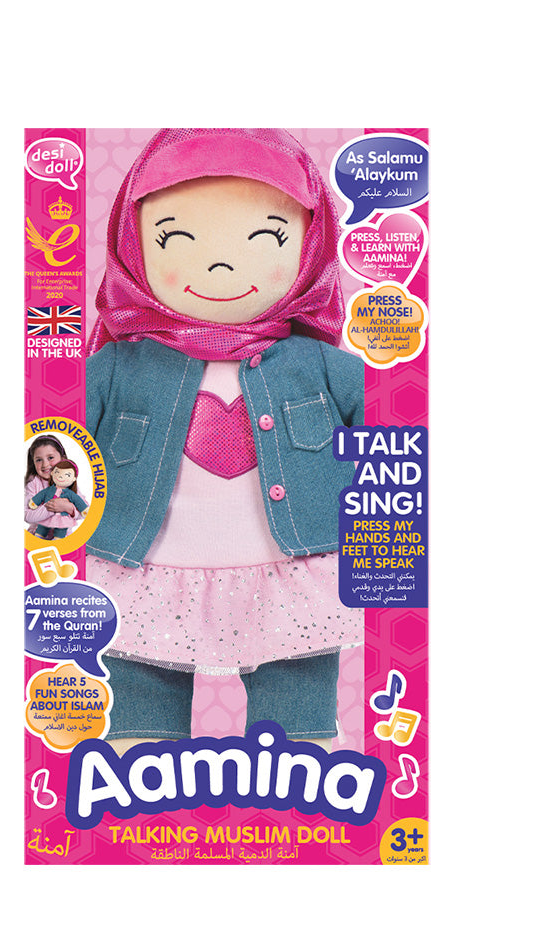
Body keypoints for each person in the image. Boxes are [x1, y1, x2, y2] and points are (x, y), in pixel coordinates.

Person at [85, 129, 364, 753]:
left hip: (295, 574)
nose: (220, 264)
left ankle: (301, 786)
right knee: (140, 728)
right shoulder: (119, 367)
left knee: (298, 733)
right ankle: (140, 785)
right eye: (175, 239)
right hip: (143, 571)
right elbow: (45, 431)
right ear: (133, 248)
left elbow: (404, 427)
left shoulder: (319, 365)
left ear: (309, 248)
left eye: (266, 238)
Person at [23, 435, 86, 537]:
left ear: (63, 459)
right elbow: (27, 515)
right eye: (39, 460)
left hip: (63, 538)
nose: (45, 464)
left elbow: (84, 511)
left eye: (50, 458)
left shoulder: (68, 482)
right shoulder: (33, 483)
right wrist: (53, 507)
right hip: (37, 537)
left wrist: (68, 508)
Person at [28, 460, 88, 539]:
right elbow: (41, 495)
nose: (60, 476)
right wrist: (35, 502)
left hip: (62, 517)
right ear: (52, 473)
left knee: (61, 529)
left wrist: (83, 509)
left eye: (67, 475)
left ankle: (58, 539)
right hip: (47, 516)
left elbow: (78, 501)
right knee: (42, 527)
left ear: (73, 479)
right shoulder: (49, 489)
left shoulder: (71, 494)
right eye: (57, 472)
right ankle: (39, 536)